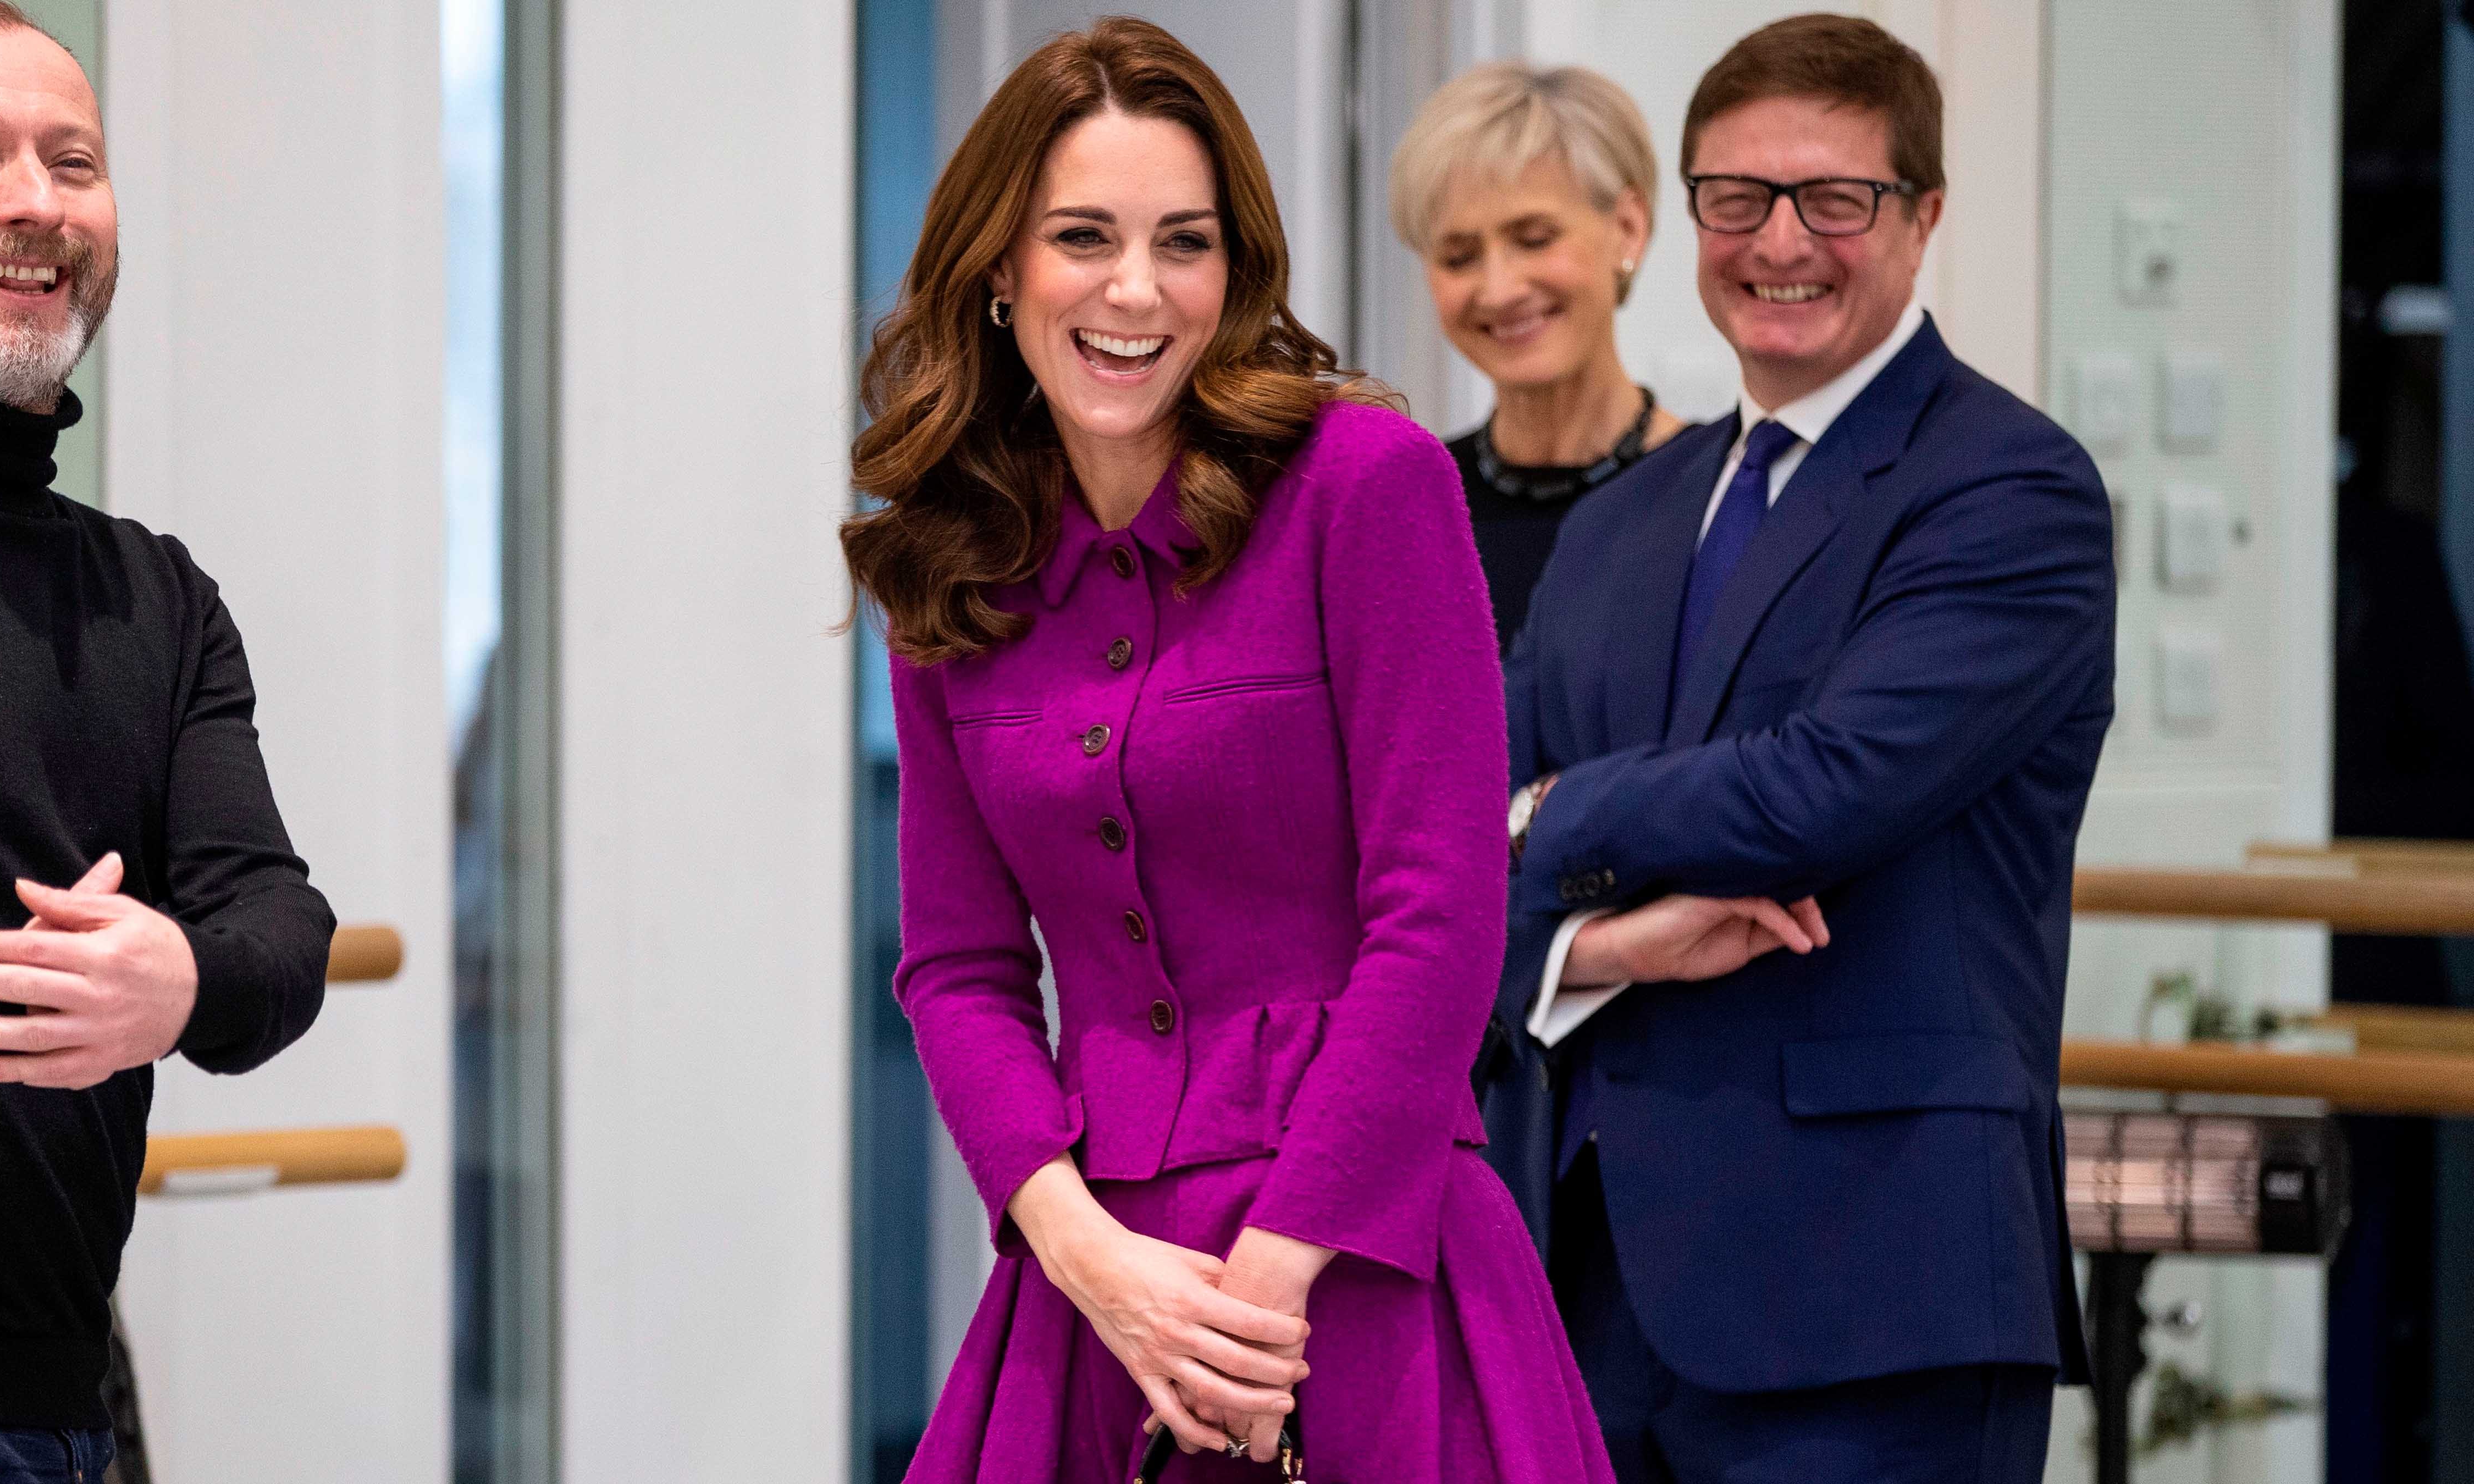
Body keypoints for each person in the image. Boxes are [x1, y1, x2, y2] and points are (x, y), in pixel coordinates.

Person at [842, 18, 1614, 1481]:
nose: (1135, 289)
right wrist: (1086, 1256)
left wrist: (1259, 1297)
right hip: (1095, 1286)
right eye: (1083, 236)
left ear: (1232, 273)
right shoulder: (948, 564)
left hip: (1359, 1267)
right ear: (1001, 270)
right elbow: (957, 966)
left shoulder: (1366, 485)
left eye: (1181, 243)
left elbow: (1438, 914)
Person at [1485, 15, 2113, 1481]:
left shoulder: (2009, 489)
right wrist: (1603, 948)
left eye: (1839, 198)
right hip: (1581, 1275)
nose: (1783, 240)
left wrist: (1552, 810)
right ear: (1689, 214)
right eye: (1740, 197)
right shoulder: (1619, 524)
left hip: (1872, 1292)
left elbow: (1822, 789)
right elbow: (1449, 850)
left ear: (1925, 216)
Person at [0, 5, 331, 1480]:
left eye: (74, 161)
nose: (33, 203)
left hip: (50, 1419)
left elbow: (276, 927)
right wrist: (7, 1011)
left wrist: (178, 977)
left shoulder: (156, 596)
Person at [1391, 61, 1688, 652]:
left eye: (1535, 239)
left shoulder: (1718, 497)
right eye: (1458, 256)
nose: (1499, 290)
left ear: (1628, 229)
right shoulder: (1407, 509)